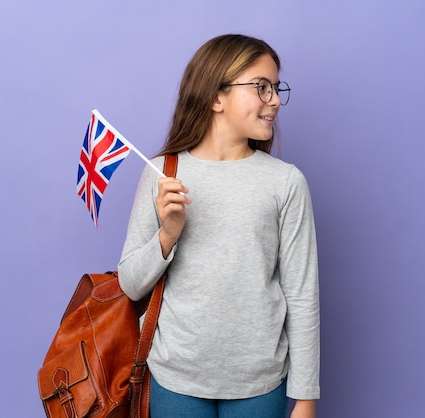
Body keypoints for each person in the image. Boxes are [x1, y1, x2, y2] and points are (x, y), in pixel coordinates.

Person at [118, 34, 320, 418]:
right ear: (216, 97)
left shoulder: (286, 182)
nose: (274, 100)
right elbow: (130, 284)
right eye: (261, 88)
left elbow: (302, 294)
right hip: (175, 378)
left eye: (276, 89)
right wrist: (167, 235)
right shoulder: (162, 172)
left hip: (259, 383)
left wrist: (306, 397)